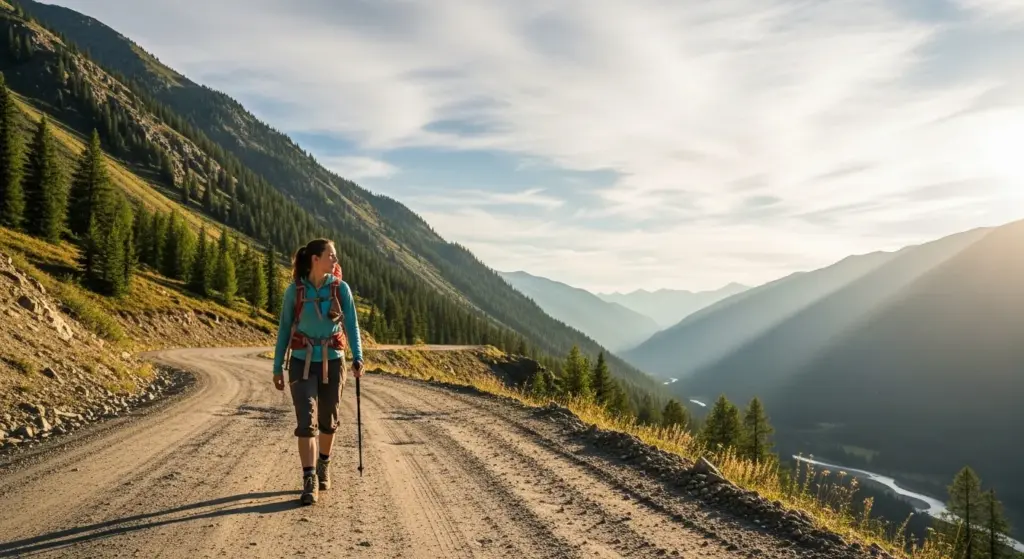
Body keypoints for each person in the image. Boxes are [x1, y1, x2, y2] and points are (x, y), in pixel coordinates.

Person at [272, 238, 363, 505]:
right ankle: (309, 479)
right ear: (316, 259)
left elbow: (352, 326)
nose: (335, 260)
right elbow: (284, 329)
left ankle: (324, 463)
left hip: (333, 361)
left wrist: (358, 357)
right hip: (301, 361)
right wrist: (277, 367)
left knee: (328, 420)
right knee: (305, 423)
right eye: (331, 255)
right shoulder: (294, 291)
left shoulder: (340, 289)